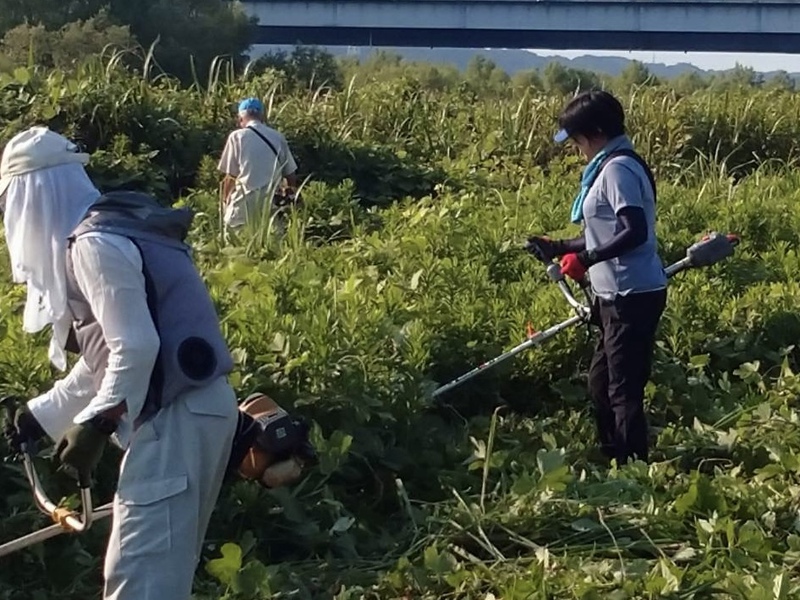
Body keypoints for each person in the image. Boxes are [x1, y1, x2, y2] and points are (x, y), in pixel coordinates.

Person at [0, 126, 242, 600]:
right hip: (195, 411)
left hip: (176, 416)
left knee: (141, 577)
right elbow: (106, 361)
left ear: (33, 198)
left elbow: (136, 348)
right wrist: (42, 418)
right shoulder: (113, 230)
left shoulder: (92, 245)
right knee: (159, 572)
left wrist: (97, 425)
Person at [526, 90, 667, 466]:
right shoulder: (606, 167)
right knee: (601, 383)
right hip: (614, 295)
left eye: (577, 140)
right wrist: (556, 246)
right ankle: (612, 460)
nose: (576, 148)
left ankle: (632, 473)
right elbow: (604, 232)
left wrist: (587, 259)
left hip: (632, 294)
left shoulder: (618, 169)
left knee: (623, 389)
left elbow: (634, 230)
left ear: (597, 133)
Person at [217, 97, 299, 235]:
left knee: (234, 242)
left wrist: (225, 201)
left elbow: (231, 176)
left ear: (241, 118)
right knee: (273, 245)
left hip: (244, 203)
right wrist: (291, 194)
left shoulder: (237, 137)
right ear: (262, 116)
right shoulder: (278, 137)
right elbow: (290, 173)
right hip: (272, 203)